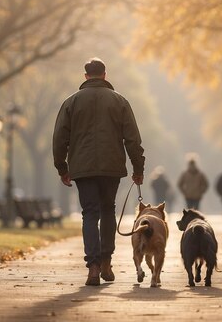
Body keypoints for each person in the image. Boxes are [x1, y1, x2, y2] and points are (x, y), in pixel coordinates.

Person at [53, 58, 145, 286]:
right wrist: (138, 168)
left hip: (83, 168)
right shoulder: (119, 101)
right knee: (107, 211)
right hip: (111, 167)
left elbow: (59, 139)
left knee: (89, 213)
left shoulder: (71, 102)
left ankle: (92, 267)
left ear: (86, 76)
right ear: (104, 75)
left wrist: (62, 168)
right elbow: (132, 138)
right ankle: (106, 261)